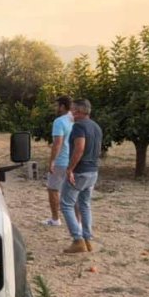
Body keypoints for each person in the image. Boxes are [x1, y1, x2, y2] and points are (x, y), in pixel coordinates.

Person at [60, 98, 103, 253]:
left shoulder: (78, 126)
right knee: (84, 204)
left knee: (66, 204)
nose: (70, 112)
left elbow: (79, 148)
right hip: (93, 171)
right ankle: (87, 238)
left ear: (78, 111)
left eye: (72, 110)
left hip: (80, 171)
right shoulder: (96, 126)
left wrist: (70, 169)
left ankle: (77, 239)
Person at [42, 96, 74, 226]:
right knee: (72, 191)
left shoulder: (59, 121)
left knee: (53, 189)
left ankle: (55, 219)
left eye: (57, 105)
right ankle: (77, 220)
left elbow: (57, 143)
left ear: (62, 106)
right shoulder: (75, 120)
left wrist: (52, 161)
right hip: (73, 160)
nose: (55, 108)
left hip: (61, 160)